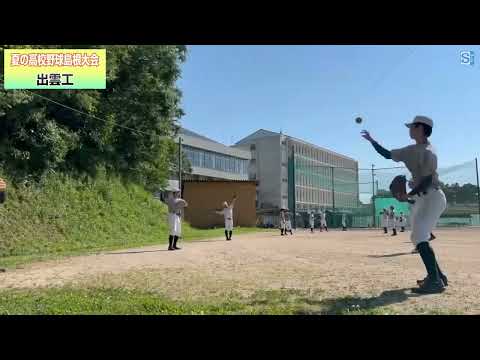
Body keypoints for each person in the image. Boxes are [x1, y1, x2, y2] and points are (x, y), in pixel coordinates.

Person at [362, 115, 448, 294]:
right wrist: (372, 141)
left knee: (419, 235)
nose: (409, 129)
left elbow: (426, 181)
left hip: (433, 197)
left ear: (420, 128)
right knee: (418, 237)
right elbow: (387, 154)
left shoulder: (429, 152)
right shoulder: (410, 150)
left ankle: (435, 281)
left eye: (412, 127)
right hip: (422, 198)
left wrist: (409, 194)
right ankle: (438, 277)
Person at [165, 186, 188, 251]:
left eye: (179, 192)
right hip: (172, 215)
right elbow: (174, 206)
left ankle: (174, 245)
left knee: (178, 231)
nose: (179, 193)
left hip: (177, 216)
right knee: (173, 230)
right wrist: (181, 201)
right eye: (178, 192)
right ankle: (170, 246)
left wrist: (181, 202)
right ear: (174, 193)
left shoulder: (177, 199)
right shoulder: (171, 199)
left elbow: (185, 204)